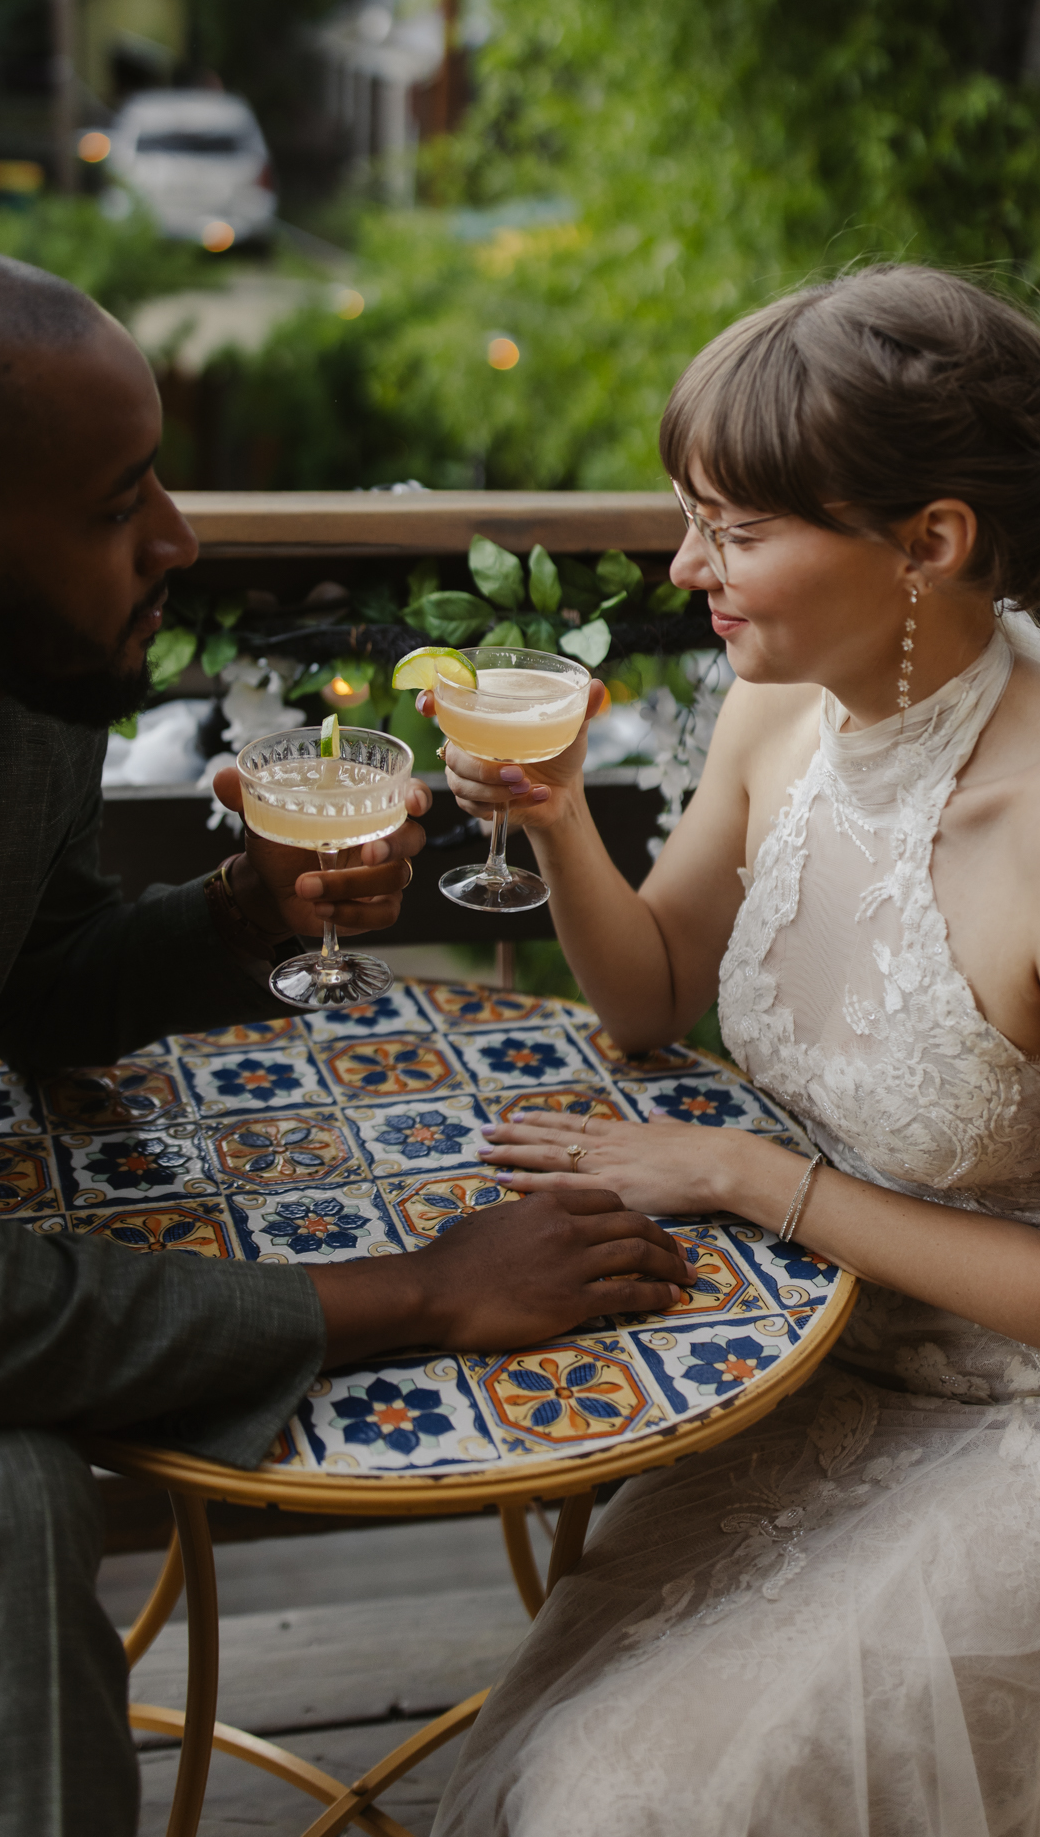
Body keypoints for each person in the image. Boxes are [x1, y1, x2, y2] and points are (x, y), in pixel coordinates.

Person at [0, 236, 693, 1837]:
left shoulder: (3, 709)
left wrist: (244, 917)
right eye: (121, 504)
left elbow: (30, 981)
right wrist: (420, 1287)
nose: (180, 540)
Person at [428, 264, 1040, 1836]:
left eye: (737, 528)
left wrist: (744, 1175)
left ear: (932, 541)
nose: (685, 563)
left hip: (1010, 1418)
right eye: (688, 513)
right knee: (565, 1761)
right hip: (797, 1365)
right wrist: (557, 816)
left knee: (619, 1802)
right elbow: (645, 996)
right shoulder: (778, 716)